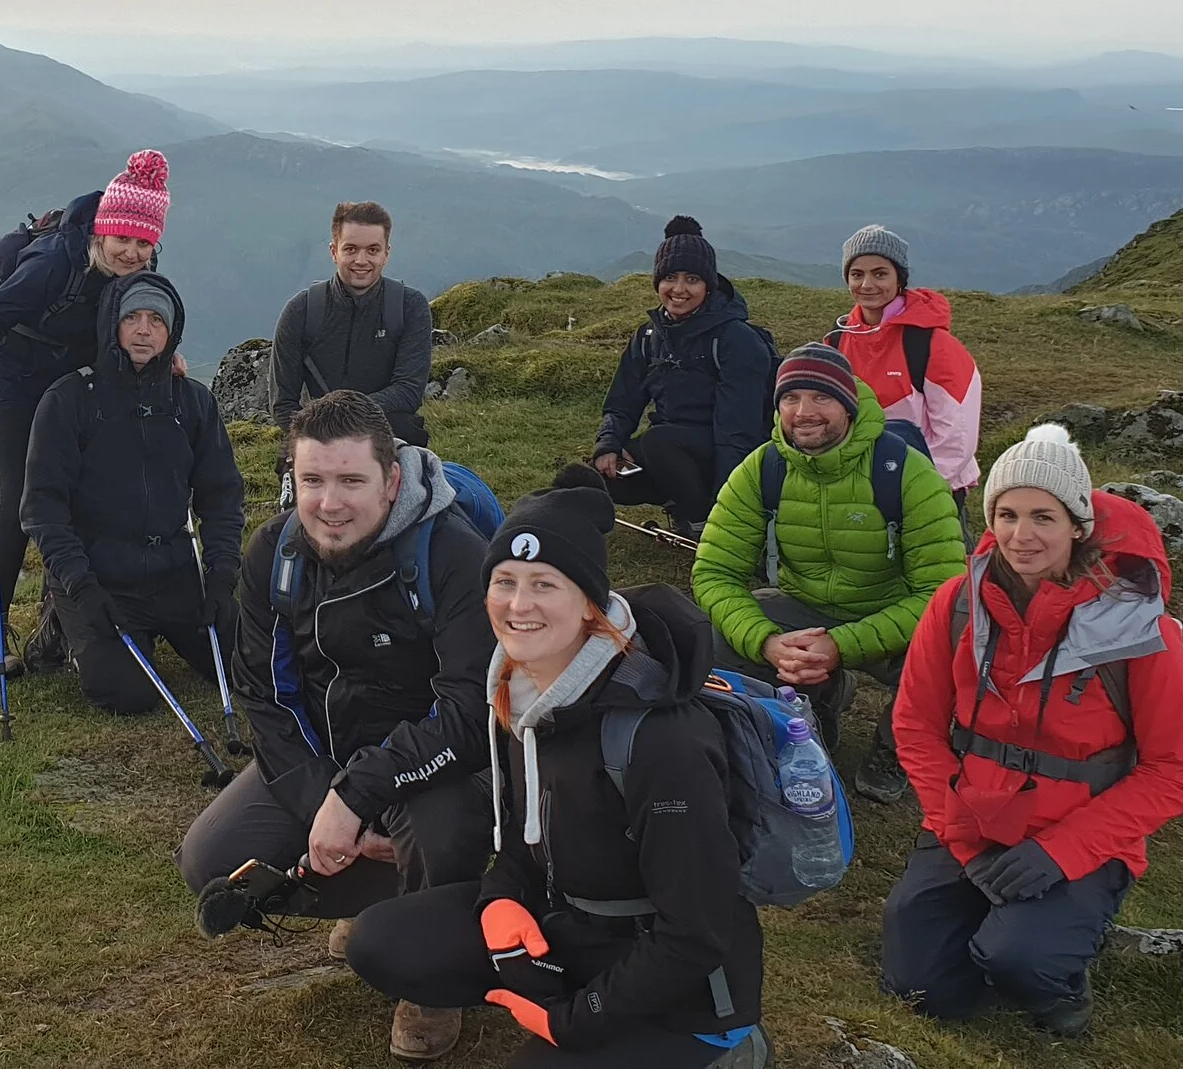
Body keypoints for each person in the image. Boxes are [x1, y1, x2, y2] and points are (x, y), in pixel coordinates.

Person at [345, 466, 768, 1069]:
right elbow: (526, 843)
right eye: (504, 581)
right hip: (570, 926)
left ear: (590, 603)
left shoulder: (660, 740)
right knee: (385, 943)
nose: (519, 605)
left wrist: (574, 1021)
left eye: (545, 584)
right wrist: (500, 902)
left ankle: (731, 1057)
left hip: (686, 991)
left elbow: (697, 932)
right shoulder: (522, 694)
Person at [178, 390, 493, 1063]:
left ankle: (432, 981)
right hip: (332, 751)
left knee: (440, 830)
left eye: (352, 480)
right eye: (313, 480)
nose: (329, 503)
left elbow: (471, 710)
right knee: (211, 856)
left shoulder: (453, 556)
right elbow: (264, 694)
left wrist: (357, 797)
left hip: (440, 761)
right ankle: (382, 901)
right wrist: (326, 795)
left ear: (392, 479)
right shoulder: (276, 554)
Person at [883, 424, 1183, 1038]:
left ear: (1078, 525)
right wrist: (962, 837)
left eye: (1043, 517)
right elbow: (916, 725)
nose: (1020, 535)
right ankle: (1001, 928)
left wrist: (1060, 853)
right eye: (1005, 514)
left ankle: (1058, 984)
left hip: (1077, 831)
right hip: (970, 819)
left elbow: (1174, 770)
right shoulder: (957, 603)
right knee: (918, 987)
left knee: (1020, 963)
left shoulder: (1141, 630)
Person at [691, 343, 964, 803]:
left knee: (959, 641)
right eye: (791, 399)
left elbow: (944, 592)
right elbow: (714, 573)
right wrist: (767, 642)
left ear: (848, 404)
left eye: (821, 398)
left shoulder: (906, 473)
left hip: (891, 616)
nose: (804, 413)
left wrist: (842, 645)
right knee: (718, 635)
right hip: (804, 613)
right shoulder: (763, 470)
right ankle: (809, 707)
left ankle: (896, 745)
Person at [0, 148, 170, 678]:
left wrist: (167, 354)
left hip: (68, 381)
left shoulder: (137, 271)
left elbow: (142, 320)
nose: (133, 252)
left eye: (145, 243)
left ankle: (61, 621)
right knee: (18, 502)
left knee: (82, 493)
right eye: (124, 239)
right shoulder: (53, 262)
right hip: (13, 380)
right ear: (103, 232)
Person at [23, 271, 244, 715]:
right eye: (132, 318)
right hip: (99, 577)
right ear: (112, 324)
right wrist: (82, 586)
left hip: (174, 572)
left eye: (157, 321)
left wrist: (221, 578)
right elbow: (43, 509)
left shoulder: (192, 402)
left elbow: (221, 495)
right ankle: (63, 625)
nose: (144, 330)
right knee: (130, 694)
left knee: (246, 666)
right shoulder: (70, 400)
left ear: (172, 331)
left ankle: (150, 632)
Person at [592, 216, 774, 536]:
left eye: (692, 279)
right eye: (670, 278)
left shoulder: (736, 339)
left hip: (726, 452)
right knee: (603, 478)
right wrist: (609, 444)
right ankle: (681, 500)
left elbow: (738, 432)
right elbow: (622, 401)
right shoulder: (649, 336)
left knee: (659, 442)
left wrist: (727, 507)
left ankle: (702, 520)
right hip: (673, 453)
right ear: (657, 282)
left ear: (708, 285)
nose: (679, 290)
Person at [827, 225, 984, 505]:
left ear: (900, 278)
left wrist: (919, 485)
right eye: (857, 274)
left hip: (930, 488)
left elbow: (957, 435)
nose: (867, 285)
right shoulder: (836, 341)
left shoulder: (932, 343)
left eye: (880, 273)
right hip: (861, 488)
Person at [270, 201, 437, 446]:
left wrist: (342, 419)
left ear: (386, 254)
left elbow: (409, 391)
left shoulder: (409, 306)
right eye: (350, 249)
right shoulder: (301, 311)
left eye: (372, 250)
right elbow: (283, 403)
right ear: (333, 251)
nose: (361, 260)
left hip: (388, 435)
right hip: (317, 437)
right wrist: (322, 433)